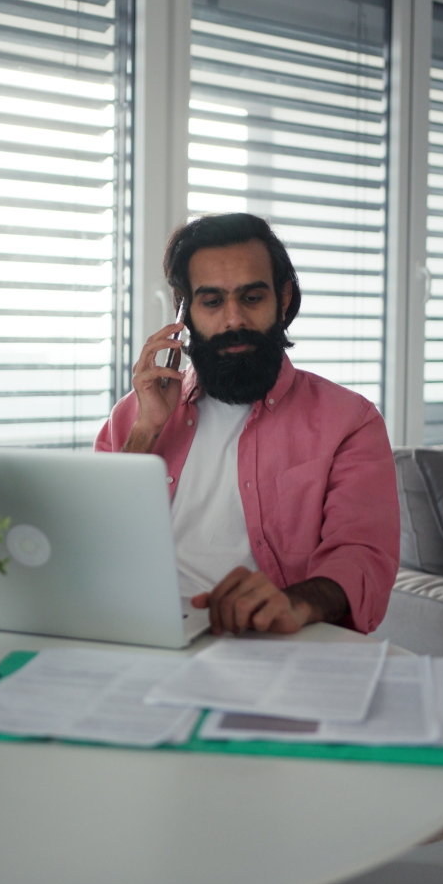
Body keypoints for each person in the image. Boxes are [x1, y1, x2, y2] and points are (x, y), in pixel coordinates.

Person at [95, 213, 400, 636]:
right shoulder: (135, 416)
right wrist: (146, 431)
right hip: (142, 634)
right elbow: (92, 544)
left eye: (252, 298)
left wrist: (293, 603)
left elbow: (364, 557)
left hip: (273, 643)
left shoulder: (350, 421)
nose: (234, 319)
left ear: (284, 298)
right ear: (184, 313)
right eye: (213, 301)